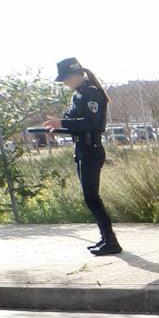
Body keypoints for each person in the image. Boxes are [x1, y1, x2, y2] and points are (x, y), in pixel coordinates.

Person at [43, 58, 121, 256]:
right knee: (90, 198)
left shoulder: (92, 93)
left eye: (66, 79)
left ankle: (111, 240)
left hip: (91, 148)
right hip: (82, 149)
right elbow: (71, 121)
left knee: (91, 197)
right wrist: (57, 125)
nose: (65, 83)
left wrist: (62, 123)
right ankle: (106, 238)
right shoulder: (78, 95)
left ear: (75, 74)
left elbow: (90, 123)